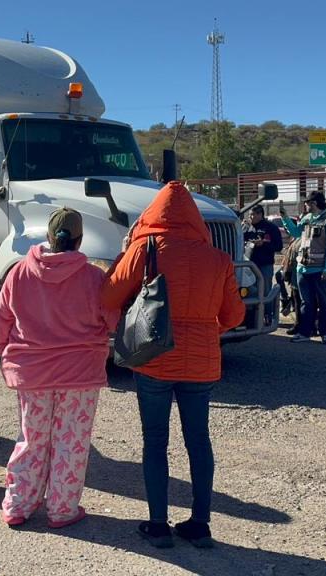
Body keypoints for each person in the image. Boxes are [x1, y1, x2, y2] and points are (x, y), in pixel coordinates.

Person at [102, 181, 245, 549]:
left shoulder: (144, 247)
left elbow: (109, 293)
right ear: (194, 218)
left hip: (154, 360)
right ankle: (200, 524)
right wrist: (204, 330)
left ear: (154, 214)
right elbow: (233, 314)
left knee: (155, 441)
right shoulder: (218, 259)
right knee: (199, 441)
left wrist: (124, 256)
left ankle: (158, 524)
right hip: (201, 363)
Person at [0, 208, 118, 528]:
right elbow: (111, 320)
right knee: (71, 442)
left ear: (47, 237)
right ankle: (62, 509)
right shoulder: (93, 276)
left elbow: (2, 319)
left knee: (31, 439)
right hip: (80, 373)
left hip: (32, 372)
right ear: (79, 241)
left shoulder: (19, 272)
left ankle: (18, 505)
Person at [281, 192, 326, 343]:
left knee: (324, 303)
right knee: (306, 303)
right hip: (303, 268)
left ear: (314, 203)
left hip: (320, 270)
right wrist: (285, 218)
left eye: (307, 203)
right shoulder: (306, 219)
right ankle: (305, 333)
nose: (305, 205)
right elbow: (295, 232)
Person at [242, 204, 283, 297]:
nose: (250, 217)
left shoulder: (271, 228)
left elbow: (279, 246)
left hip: (264, 265)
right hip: (249, 266)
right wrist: (243, 227)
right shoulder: (248, 227)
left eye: (253, 215)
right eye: (249, 215)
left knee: (265, 291)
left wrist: (264, 244)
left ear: (260, 214)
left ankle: (266, 311)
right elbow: (239, 240)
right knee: (249, 291)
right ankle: (253, 311)